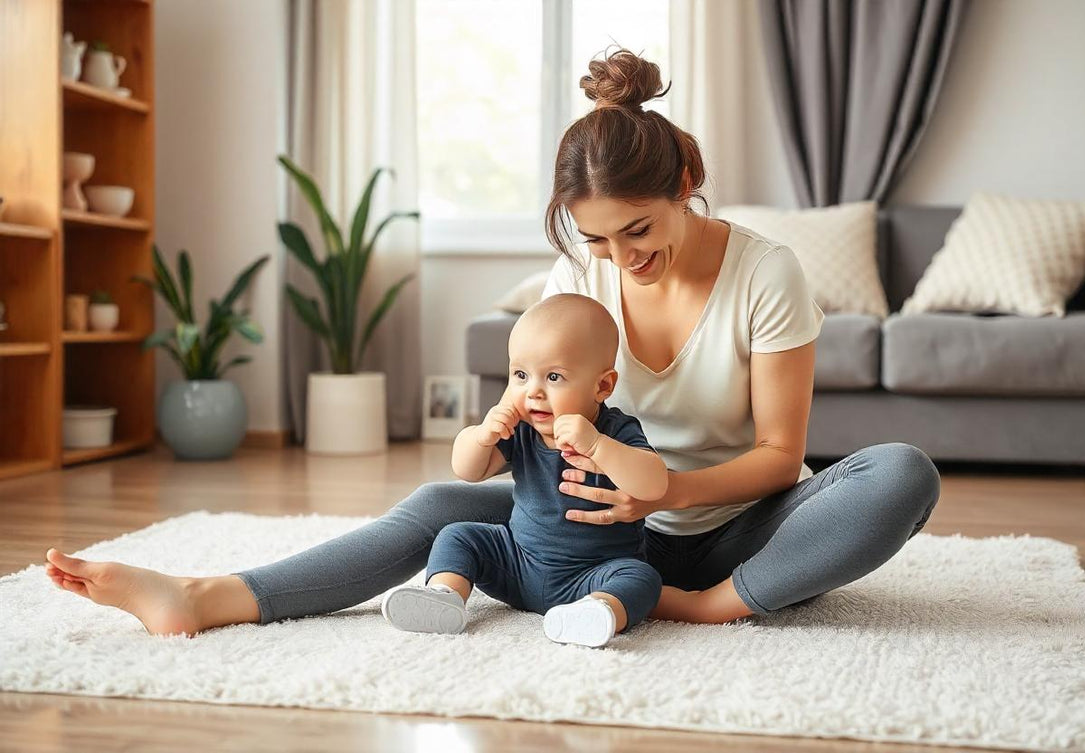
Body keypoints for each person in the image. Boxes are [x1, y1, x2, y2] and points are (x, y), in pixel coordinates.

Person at [43, 48, 940, 638]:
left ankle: (704, 608)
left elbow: (783, 457)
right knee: (443, 502)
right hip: (585, 544)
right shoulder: (579, 284)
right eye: (599, 241)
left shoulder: (766, 273)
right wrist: (520, 430)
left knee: (900, 472)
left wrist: (658, 496)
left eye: (640, 228)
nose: (625, 257)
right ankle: (206, 599)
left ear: (687, 182)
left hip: (732, 532)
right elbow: (527, 426)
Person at [381, 293, 665, 648]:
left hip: (594, 574)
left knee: (641, 578)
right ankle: (445, 596)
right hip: (517, 563)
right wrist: (482, 435)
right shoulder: (523, 430)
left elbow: (654, 484)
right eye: (520, 375)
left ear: (602, 386)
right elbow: (467, 470)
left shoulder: (615, 431)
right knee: (458, 535)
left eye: (554, 377)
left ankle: (596, 612)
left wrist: (596, 446)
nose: (533, 392)